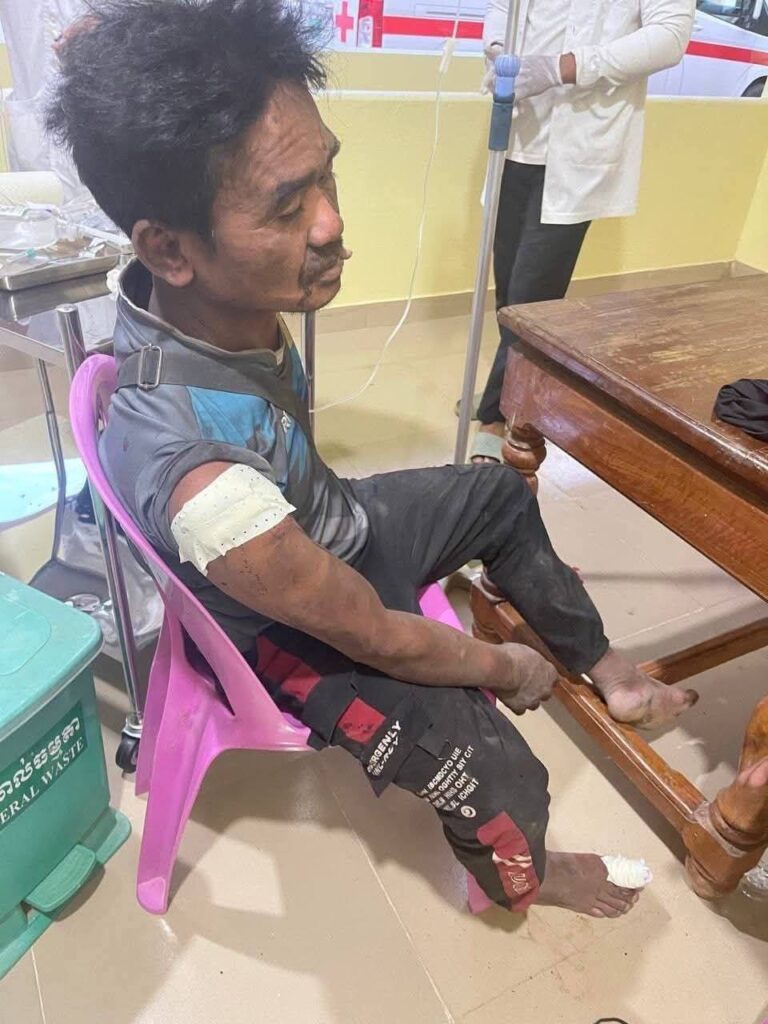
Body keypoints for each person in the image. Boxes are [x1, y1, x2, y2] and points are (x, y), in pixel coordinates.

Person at [49, 0, 697, 918]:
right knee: (499, 767)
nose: (331, 223)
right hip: (294, 637)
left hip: (327, 532)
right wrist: (504, 666)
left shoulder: (202, 302)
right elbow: (373, 635)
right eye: (288, 206)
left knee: (498, 494)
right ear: (168, 248)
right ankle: (525, 876)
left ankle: (610, 671)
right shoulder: (205, 482)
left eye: (327, 174)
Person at [468, 0, 695, 463]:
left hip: (579, 147)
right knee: (508, 291)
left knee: (533, 300)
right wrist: (497, 48)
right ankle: (507, 388)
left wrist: (562, 67)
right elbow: (500, 7)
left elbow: (669, 38)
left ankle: (499, 415)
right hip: (518, 133)